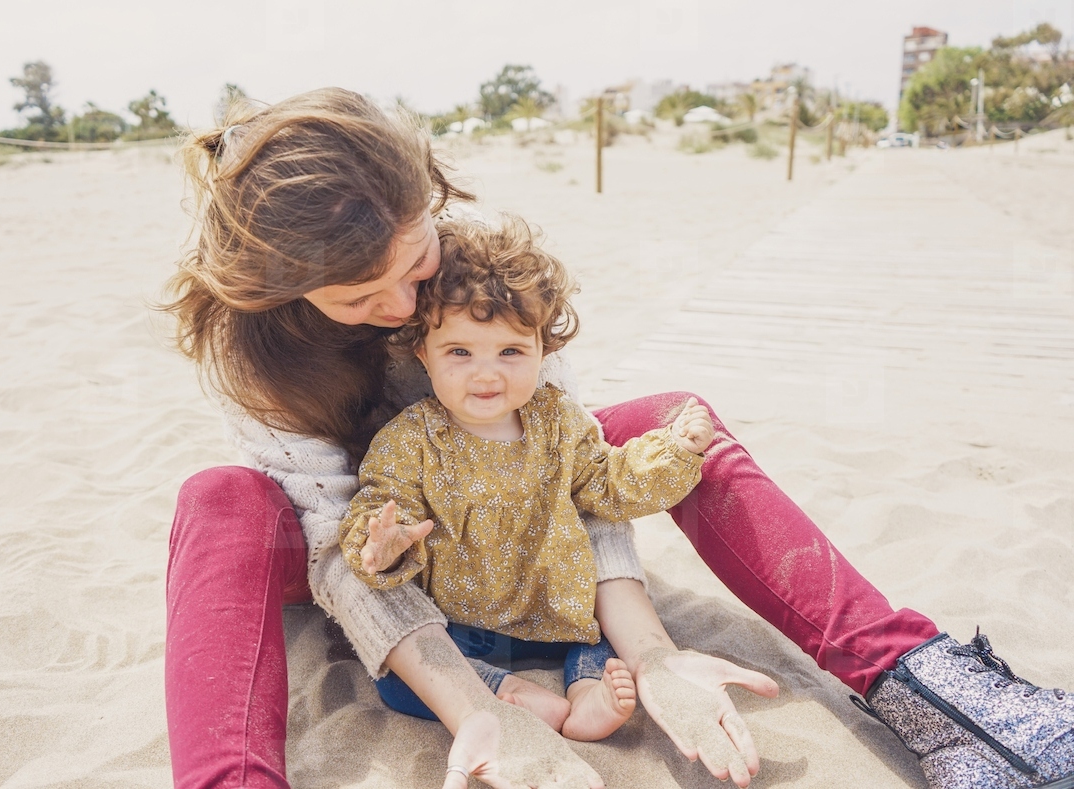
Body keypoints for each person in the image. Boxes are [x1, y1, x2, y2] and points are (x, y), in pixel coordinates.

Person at [160, 87, 1074, 789]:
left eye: (415, 263)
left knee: (676, 418)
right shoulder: (253, 355)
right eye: (362, 300)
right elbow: (338, 557)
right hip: (378, 559)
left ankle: (923, 681)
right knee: (219, 498)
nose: (403, 308)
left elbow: (571, 463)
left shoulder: (474, 266)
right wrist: (477, 709)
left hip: (514, 515)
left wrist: (654, 654)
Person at [338, 214, 720, 744]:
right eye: (460, 352)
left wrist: (673, 451)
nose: (487, 373)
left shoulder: (558, 420)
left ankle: (587, 693)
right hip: (464, 626)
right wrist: (383, 543)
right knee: (400, 677)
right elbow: (381, 502)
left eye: (511, 351)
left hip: (560, 615)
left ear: (544, 349)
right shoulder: (410, 439)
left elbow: (608, 484)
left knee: (605, 640)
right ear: (423, 353)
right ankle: (509, 691)